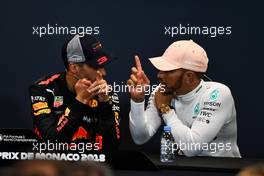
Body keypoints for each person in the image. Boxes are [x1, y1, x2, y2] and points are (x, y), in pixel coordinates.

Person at [127, 40, 241, 157]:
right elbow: (140, 138)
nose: (159, 75)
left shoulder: (218, 94)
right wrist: (137, 101)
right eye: (161, 70)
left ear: (189, 76)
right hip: (184, 168)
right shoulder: (162, 91)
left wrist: (165, 109)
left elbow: (192, 148)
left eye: (168, 71)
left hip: (222, 169)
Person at [29, 34, 121, 152]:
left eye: (103, 66)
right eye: (96, 66)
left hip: (89, 168)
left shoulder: (107, 95)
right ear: (74, 68)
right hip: (52, 166)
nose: (103, 72)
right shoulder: (43, 90)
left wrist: (105, 105)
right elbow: (52, 143)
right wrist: (79, 101)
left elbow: (112, 149)